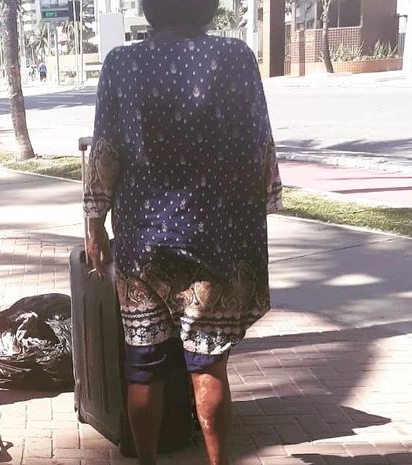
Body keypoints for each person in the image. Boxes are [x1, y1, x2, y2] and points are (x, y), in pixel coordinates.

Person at [83, 0, 283, 464]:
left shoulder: (121, 64)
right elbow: (258, 144)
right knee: (208, 364)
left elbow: (105, 150)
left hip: (142, 244)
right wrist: (263, 207)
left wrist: (94, 222)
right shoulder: (234, 58)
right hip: (214, 240)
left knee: (144, 364)